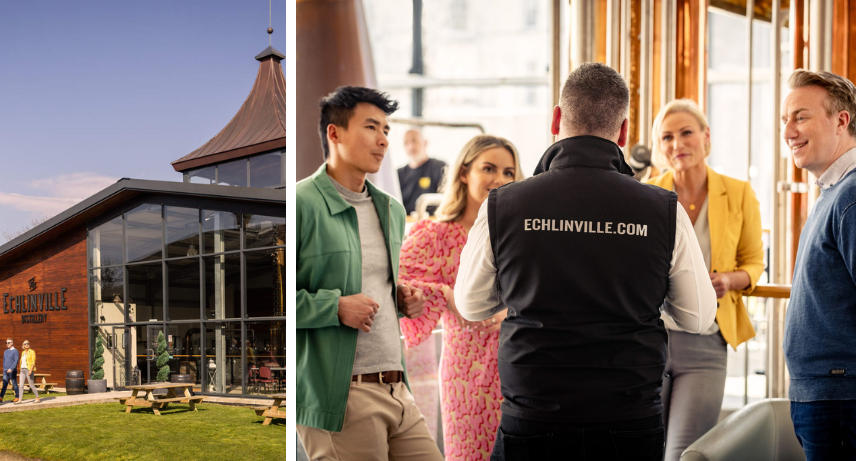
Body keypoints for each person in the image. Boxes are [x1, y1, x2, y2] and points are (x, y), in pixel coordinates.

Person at [454, 63, 717, 461]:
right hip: (628, 419)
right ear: (625, 131)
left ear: (557, 119)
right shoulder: (662, 209)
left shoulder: (503, 205)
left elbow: (471, 305)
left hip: (533, 416)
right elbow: (698, 317)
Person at [296, 85, 443, 461]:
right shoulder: (300, 204)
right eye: (371, 128)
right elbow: (266, 302)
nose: (383, 140)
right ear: (335, 133)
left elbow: (372, 278)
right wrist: (336, 307)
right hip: (341, 396)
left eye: (386, 131)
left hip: (397, 388)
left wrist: (400, 297)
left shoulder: (391, 210)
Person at [645, 99, 765, 461]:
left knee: (685, 454)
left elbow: (755, 263)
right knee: (645, 447)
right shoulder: (647, 193)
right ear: (659, 147)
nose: (677, 144)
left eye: (686, 133)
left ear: (705, 136)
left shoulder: (738, 192)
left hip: (706, 344)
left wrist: (729, 279)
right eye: (667, 137)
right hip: (651, 340)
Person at [399, 134, 524, 461]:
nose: (500, 179)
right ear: (465, 172)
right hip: (465, 371)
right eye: (489, 168)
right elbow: (400, 283)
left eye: (509, 172)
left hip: (521, 366)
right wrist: (444, 295)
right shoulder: (433, 234)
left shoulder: (522, 234)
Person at [781, 69, 856, 460]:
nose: (788, 131)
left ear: (841, 120)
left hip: (846, 399)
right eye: (785, 120)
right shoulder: (836, 193)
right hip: (828, 398)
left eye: (800, 117)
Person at [398, 129, 447, 216]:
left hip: (433, 222)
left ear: (425, 143)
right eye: (406, 142)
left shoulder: (440, 168)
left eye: (414, 140)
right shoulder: (398, 174)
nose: (411, 146)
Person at [16, 340, 38, 404]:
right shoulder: (23, 352)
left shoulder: (32, 352)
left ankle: (37, 397)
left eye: (28, 343)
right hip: (22, 370)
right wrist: (20, 369)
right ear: (23, 345)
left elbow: (33, 362)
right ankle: (20, 400)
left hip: (28, 370)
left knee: (31, 385)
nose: (26, 345)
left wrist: (31, 370)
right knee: (21, 385)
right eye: (25, 344)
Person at [1, 338, 20, 403]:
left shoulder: (15, 351)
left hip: (12, 370)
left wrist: (11, 369)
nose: (7, 344)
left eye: (8, 343)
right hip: (5, 370)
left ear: (12, 343)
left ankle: (17, 397)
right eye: (6, 343)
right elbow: (4, 360)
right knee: (4, 384)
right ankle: (1, 397)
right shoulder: (5, 351)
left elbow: (16, 361)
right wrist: (4, 368)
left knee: (14, 383)